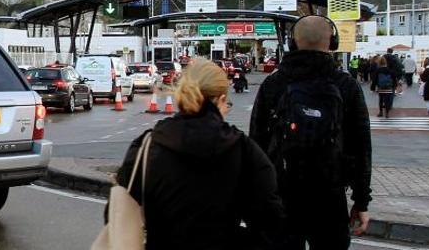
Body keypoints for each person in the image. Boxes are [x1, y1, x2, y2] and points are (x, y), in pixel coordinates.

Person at [113, 59, 284, 249]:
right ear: (220, 100)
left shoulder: (146, 147)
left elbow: (117, 215)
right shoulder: (243, 150)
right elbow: (271, 222)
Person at [250, 15, 371, 250]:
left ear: (292, 43)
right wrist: (361, 202)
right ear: (332, 42)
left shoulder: (274, 84)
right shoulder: (346, 85)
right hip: (330, 195)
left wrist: (256, 199)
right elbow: (361, 148)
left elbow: (256, 144)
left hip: (282, 194)